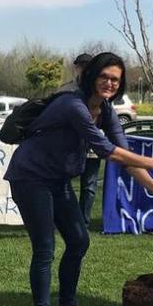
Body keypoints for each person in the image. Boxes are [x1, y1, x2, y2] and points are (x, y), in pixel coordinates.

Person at [4, 52, 153, 306]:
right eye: (104, 77)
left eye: (115, 79)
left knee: (78, 240)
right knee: (44, 248)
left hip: (57, 180)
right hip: (30, 177)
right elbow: (107, 150)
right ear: (91, 77)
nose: (110, 83)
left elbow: (124, 157)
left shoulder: (107, 110)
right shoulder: (72, 105)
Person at [56, 53, 100, 225]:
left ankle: (83, 221)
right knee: (61, 184)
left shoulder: (100, 91)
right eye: (81, 66)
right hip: (68, 147)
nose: (84, 70)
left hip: (92, 148)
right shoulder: (65, 90)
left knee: (89, 186)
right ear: (76, 68)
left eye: (87, 66)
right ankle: (62, 220)